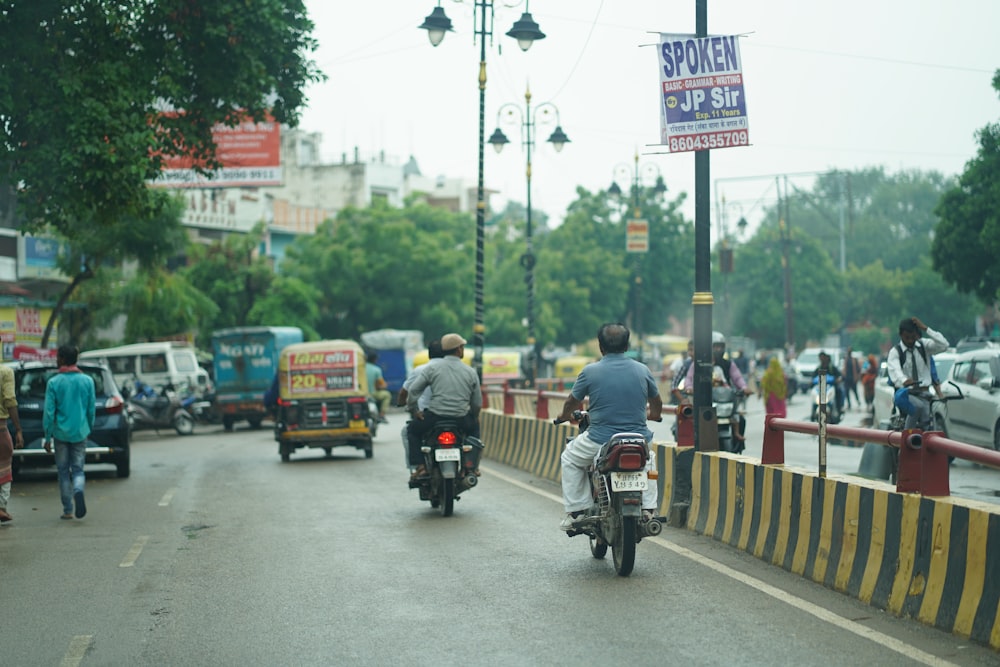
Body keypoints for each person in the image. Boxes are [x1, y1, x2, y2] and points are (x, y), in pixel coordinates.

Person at [555, 323, 663, 531]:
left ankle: (577, 511)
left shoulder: (590, 371)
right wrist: (654, 415)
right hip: (638, 439)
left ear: (600, 346)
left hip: (600, 440)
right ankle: (649, 510)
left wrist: (564, 415)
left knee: (569, 458)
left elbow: (572, 402)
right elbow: (656, 401)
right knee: (649, 461)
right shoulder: (642, 370)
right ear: (626, 345)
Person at [405, 333, 482, 482]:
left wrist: (415, 411)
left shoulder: (432, 368)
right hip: (461, 418)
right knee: (474, 430)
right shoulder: (470, 372)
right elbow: (477, 403)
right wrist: (473, 415)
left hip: (435, 417)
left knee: (412, 431)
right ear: (458, 349)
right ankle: (471, 467)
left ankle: (421, 466)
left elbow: (413, 391)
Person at [43, 344, 96, 520]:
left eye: (58, 357)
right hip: (80, 431)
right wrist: (89, 427)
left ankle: (67, 510)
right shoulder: (87, 381)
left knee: (63, 471)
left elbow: (49, 413)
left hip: (60, 434)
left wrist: (47, 436)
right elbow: (91, 409)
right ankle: (78, 489)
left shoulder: (53, 382)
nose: (56, 360)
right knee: (78, 470)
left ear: (63, 359)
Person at [886, 317, 949, 429]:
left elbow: (944, 345)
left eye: (913, 337)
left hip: (925, 394)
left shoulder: (923, 346)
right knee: (918, 407)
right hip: (906, 395)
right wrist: (904, 380)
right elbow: (896, 372)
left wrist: (925, 328)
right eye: (907, 337)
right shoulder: (895, 352)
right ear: (900, 335)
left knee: (928, 423)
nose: (910, 341)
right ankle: (907, 435)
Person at [397, 339, 443, 469]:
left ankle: (419, 466)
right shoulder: (459, 369)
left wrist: (409, 407)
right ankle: (469, 467)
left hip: (427, 415)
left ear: (429, 354)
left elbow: (408, 392)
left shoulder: (422, 370)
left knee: (409, 432)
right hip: (457, 416)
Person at [0, 361, 24, 524]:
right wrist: (18, 430)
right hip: (1, 429)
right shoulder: (5, 372)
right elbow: (10, 400)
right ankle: (1, 506)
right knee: (4, 466)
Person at [365, 351, 391, 424]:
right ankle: (382, 415)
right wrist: (385, 385)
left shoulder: (361, 369)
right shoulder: (376, 369)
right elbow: (381, 384)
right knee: (387, 395)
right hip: (373, 394)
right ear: (374, 360)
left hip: (362, 394)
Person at [669, 340, 694, 404]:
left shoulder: (709, 364)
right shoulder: (687, 364)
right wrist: (682, 399)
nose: (690, 353)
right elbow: (674, 384)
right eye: (689, 350)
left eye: (692, 350)